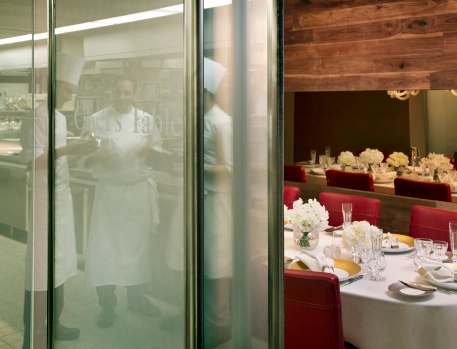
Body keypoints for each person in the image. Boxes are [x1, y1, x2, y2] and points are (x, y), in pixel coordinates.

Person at [20, 52, 98, 348]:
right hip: (44, 203)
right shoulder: (37, 116)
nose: (70, 96)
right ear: (55, 85)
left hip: (62, 199)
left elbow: (61, 158)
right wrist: (67, 150)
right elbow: (32, 162)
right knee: (41, 267)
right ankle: (35, 335)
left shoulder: (60, 118)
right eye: (68, 90)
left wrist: (85, 149)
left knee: (62, 263)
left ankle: (55, 323)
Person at [83, 73, 162, 328]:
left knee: (137, 251)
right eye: (118, 92)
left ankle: (137, 300)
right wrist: (99, 154)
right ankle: (107, 306)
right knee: (103, 252)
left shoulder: (146, 121)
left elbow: (158, 154)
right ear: (111, 92)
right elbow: (83, 158)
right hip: (109, 195)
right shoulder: (95, 120)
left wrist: (149, 151)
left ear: (134, 94)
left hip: (136, 193)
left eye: (127, 92)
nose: (122, 97)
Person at [201, 58, 233, 348]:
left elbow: (229, 169)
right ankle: (202, 318)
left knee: (217, 263)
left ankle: (220, 324)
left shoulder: (223, 122)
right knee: (202, 261)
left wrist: (194, 166)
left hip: (217, 202)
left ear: (205, 93)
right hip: (201, 199)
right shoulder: (200, 120)